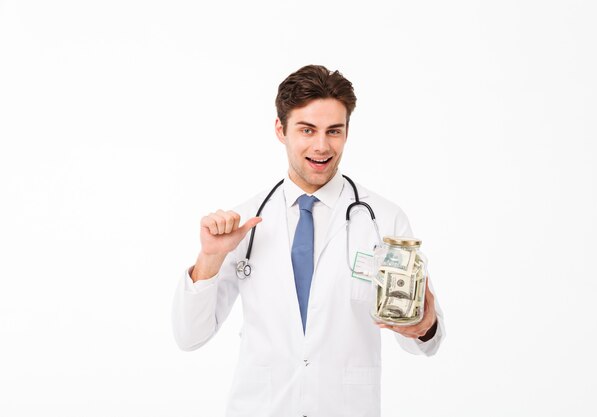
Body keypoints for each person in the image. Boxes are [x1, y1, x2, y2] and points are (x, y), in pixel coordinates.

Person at [172, 64, 445, 417]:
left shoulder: (383, 220)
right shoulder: (242, 223)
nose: (321, 146)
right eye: (307, 130)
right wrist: (209, 258)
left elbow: (427, 343)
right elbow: (189, 336)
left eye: (334, 131)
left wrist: (424, 326)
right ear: (280, 130)